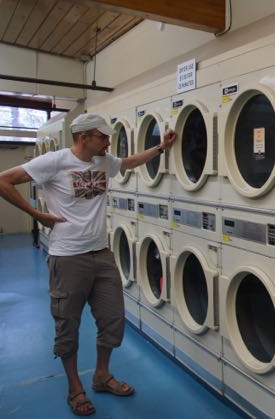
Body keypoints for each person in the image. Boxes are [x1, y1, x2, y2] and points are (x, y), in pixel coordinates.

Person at [0, 113, 177, 416]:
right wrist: (37, 215)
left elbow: (129, 162)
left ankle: (101, 376)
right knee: (67, 325)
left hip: (102, 254)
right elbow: (4, 180)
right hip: (68, 257)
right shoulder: (54, 161)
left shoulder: (103, 161)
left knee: (112, 319)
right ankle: (75, 388)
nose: (108, 142)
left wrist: (161, 148)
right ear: (84, 137)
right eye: (103, 137)